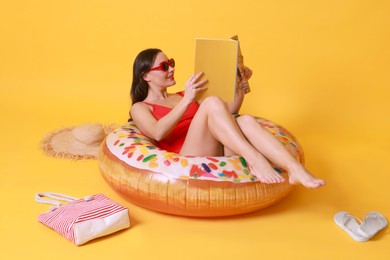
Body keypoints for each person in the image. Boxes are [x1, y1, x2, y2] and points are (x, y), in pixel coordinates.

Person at [129, 48, 325, 188]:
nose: (171, 69)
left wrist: (241, 85)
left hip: (214, 147)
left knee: (245, 120)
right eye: (164, 66)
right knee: (211, 101)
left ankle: (294, 169)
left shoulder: (182, 95)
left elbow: (227, 113)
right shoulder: (140, 107)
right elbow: (157, 132)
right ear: (146, 76)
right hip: (187, 155)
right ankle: (254, 159)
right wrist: (188, 99)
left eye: (171, 63)